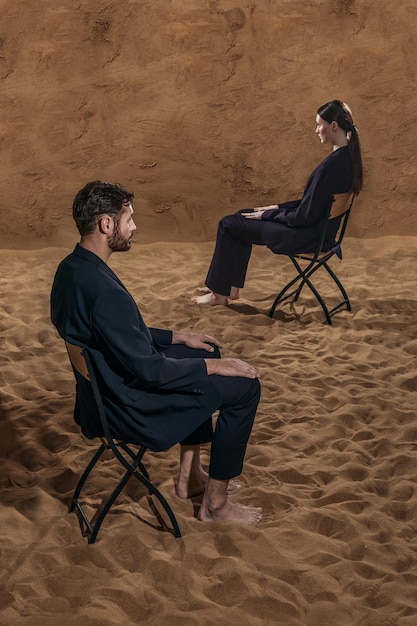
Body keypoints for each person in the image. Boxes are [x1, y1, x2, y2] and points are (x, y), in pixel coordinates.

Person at [50, 181, 263, 525]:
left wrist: (180, 337)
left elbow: (111, 336)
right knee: (244, 387)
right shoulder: (104, 291)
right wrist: (216, 366)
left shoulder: (71, 270)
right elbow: (151, 371)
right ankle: (216, 506)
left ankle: (190, 478)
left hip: (97, 400)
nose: (134, 227)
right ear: (107, 225)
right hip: (129, 408)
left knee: (198, 352)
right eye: (128, 219)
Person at [192, 99, 363, 306]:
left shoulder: (331, 167)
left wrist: (267, 215)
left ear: (333, 126)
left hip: (303, 236)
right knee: (243, 215)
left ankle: (219, 294)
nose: (316, 129)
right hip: (320, 234)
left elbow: (304, 216)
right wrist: (276, 208)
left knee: (228, 223)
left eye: (319, 124)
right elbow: (314, 203)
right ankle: (227, 288)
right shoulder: (347, 160)